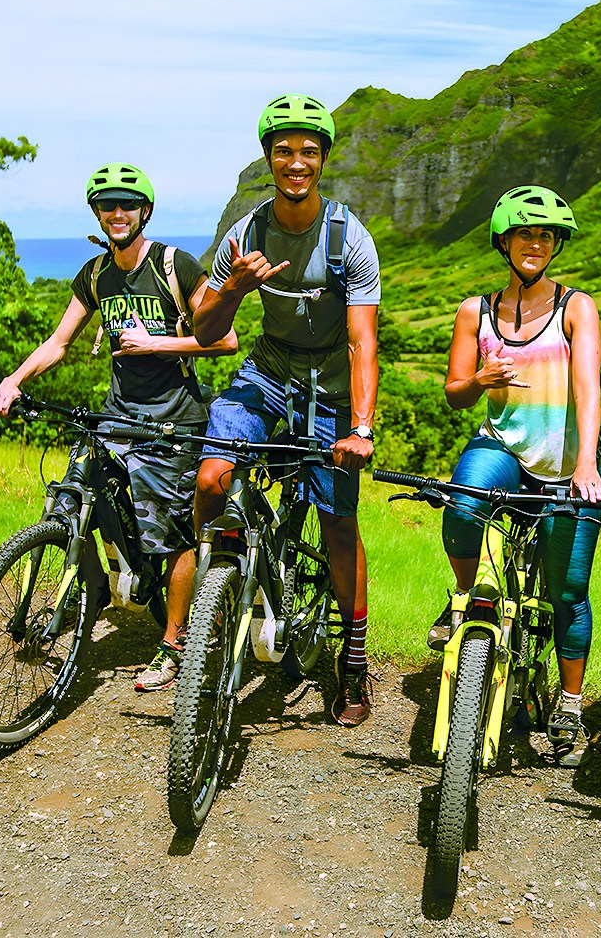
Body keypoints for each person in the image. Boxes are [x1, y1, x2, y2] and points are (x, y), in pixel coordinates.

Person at [0, 163, 238, 691]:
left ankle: (173, 644)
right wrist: (13, 380)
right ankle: (98, 586)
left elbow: (225, 339)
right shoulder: (96, 273)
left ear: (144, 211)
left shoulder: (176, 265)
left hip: (174, 421)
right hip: (116, 415)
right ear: (97, 214)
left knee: (171, 536)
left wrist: (156, 344)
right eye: (107, 205)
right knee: (76, 494)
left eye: (128, 204)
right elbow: (59, 343)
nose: (117, 213)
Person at [192, 94, 381, 727]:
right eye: (283, 151)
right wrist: (233, 287)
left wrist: (359, 428)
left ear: (322, 160)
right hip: (268, 374)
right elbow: (203, 322)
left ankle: (352, 662)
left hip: (328, 385)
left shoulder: (348, 238)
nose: (294, 162)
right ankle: (212, 612)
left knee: (337, 527)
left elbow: (362, 343)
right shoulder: (246, 233)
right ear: (269, 159)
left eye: (307, 151)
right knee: (211, 477)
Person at [430, 185, 601, 766]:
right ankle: (461, 596)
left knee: (568, 594)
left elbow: (587, 387)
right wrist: (480, 378)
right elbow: (455, 393)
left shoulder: (576, 306)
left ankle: (570, 704)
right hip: (502, 446)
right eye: (526, 234)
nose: (536, 244)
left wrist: (586, 464)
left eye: (547, 236)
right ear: (503, 241)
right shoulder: (473, 311)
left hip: (562, 463)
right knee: (462, 503)